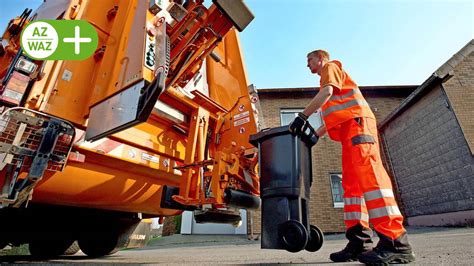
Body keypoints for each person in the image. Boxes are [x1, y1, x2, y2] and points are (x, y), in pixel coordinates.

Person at [289, 50, 415, 264]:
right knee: (352, 187)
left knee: (372, 179)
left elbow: (327, 93)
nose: (307, 65)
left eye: (309, 60)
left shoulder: (330, 68)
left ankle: (396, 242)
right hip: (350, 131)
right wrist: (313, 136)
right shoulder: (328, 79)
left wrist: (303, 116)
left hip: (359, 126)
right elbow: (335, 116)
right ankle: (359, 242)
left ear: (320, 58)